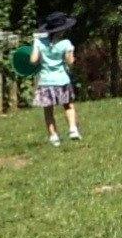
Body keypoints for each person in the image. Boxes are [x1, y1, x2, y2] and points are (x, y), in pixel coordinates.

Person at [24, 14, 83, 143]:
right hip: (62, 80)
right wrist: (70, 53)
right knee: (68, 105)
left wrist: (35, 44)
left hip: (45, 82)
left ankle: (54, 136)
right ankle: (73, 129)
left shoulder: (40, 42)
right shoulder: (66, 43)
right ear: (62, 29)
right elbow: (70, 62)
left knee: (48, 111)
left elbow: (33, 60)